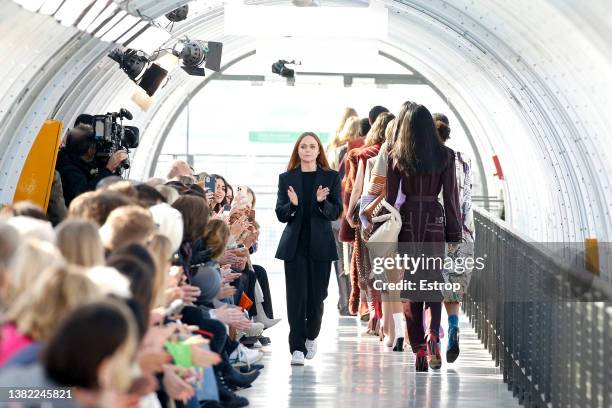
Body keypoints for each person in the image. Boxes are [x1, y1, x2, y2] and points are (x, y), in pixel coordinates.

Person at [385, 103, 461, 372]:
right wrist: (454, 235)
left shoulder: (397, 156)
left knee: (411, 288)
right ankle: (433, 337)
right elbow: (451, 198)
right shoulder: (446, 155)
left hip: (408, 223)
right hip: (434, 221)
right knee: (433, 282)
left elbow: (390, 200)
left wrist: (385, 235)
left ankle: (418, 348)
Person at [275, 132, 342, 366]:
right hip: (294, 246)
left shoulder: (331, 177)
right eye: (303, 146)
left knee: (317, 297)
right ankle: (296, 348)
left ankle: (312, 334)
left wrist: (323, 202)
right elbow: (281, 214)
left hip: (321, 246)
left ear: (318, 150)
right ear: (297, 151)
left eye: (312, 146)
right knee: (295, 298)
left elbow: (336, 212)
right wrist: (292, 206)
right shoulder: (286, 178)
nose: (307, 150)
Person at [433, 113, 475, 363]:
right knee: (453, 287)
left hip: (434, 229)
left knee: (429, 286)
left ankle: (434, 336)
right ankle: (453, 327)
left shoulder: (429, 160)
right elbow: (467, 198)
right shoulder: (464, 160)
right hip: (463, 232)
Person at [55, 125, 127, 206]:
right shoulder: (69, 170)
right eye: (96, 146)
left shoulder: (69, 156)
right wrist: (108, 169)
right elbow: (84, 196)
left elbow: (87, 166)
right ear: (90, 150)